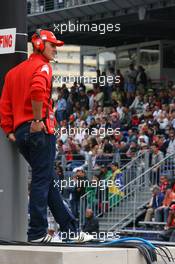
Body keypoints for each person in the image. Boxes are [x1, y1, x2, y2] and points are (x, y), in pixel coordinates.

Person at [0, 29, 93, 243]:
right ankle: (37, 233)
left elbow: (4, 105)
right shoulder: (43, 66)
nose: (55, 50)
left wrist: (9, 131)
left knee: (47, 180)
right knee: (43, 181)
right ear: (40, 45)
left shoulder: (12, 73)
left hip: (21, 133)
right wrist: (37, 120)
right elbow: (37, 90)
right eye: (52, 45)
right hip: (39, 130)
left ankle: (71, 229)